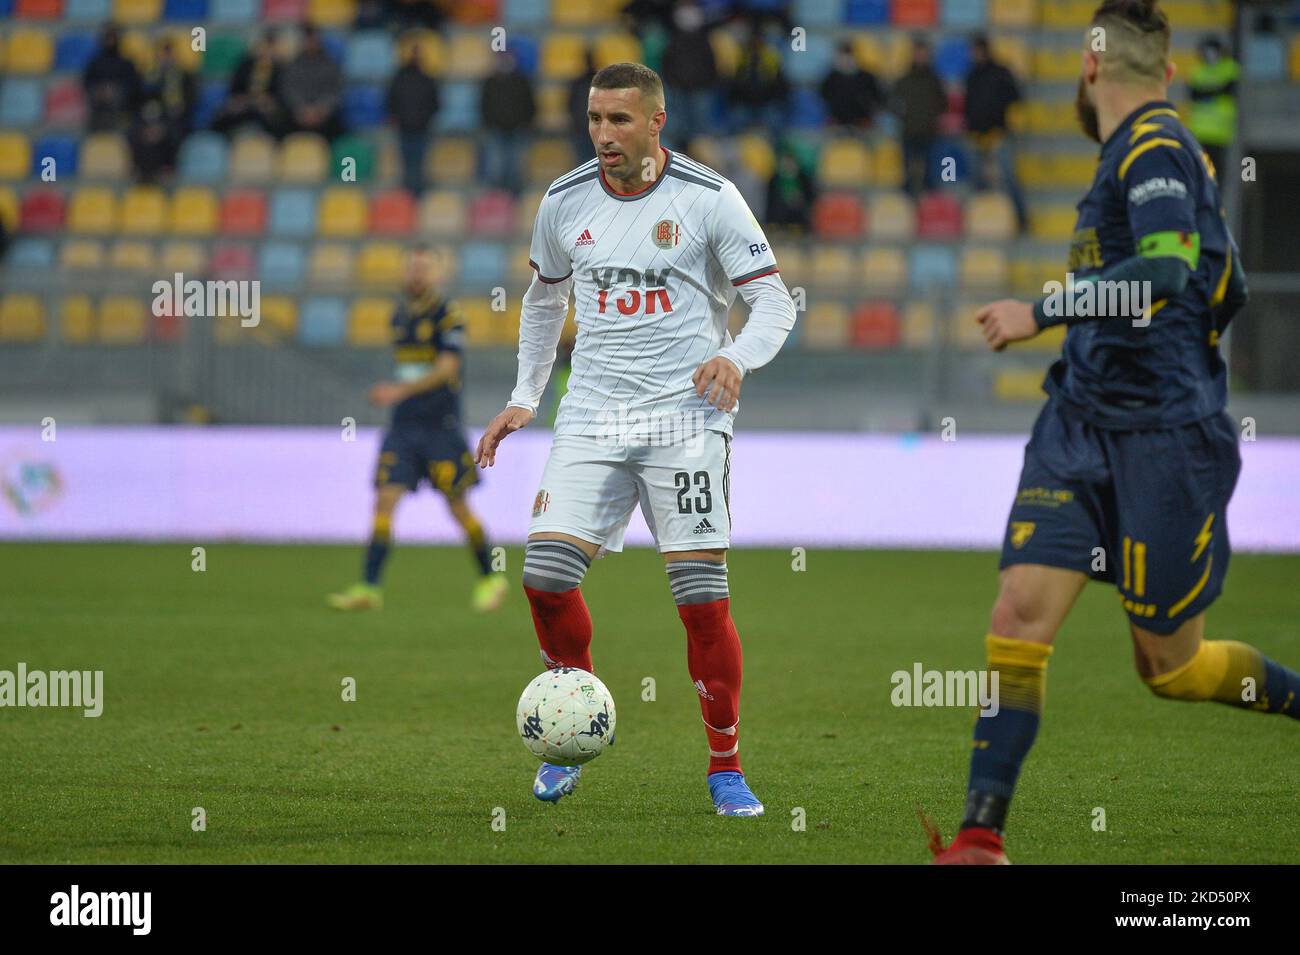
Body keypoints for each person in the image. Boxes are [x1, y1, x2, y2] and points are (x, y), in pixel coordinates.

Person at [929, 0, 1299, 865]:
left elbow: (1169, 269)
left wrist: (1042, 309)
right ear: (1165, 70)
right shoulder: (1144, 153)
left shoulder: (1154, 146)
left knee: (1170, 667)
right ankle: (981, 836)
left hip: (1165, 438)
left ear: (1090, 68)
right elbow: (1222, 281)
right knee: (1018, 615)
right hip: (1080, 422)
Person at [474, 62, 797, 815]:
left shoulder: (709, 198)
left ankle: (726, 766)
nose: (602, 135)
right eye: (593, 119)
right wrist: (525, 395)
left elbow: (773, 303)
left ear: (657, 120)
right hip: (590, 415)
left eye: (618, 120)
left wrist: (735, 355)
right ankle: (572, 723)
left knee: (701, 602)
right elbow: (542, 298)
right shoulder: (563, 201)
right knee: (545, 579)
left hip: (685, 420)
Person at [328, 246, 509, 614]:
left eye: (424, 269)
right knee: (384, 499)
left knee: (457, 506)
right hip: (403, 427)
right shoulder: (399, 316)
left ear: (437, 274)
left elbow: (446, 370)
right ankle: (369, 587)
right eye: (412, 268)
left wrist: (398, 391)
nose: (416, 274)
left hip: (440, 427)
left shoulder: (449, 316)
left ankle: (490, 578)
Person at [964, 34, 1028, 233]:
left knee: (1008, 177)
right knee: (975, 178)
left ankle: (1021, 219)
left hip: (999, 134)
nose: (974, 55)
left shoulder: (1001, 72)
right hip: (976, 135)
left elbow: (1016, 96)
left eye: (976, 50)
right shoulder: (971, 75)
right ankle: (981, 220)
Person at [891, 36, 947, 197]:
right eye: (919, 53)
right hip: (908, 131)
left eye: (924, 54)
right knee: (907, 175)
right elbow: (893, 104)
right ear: (913, 55)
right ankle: (906, 209)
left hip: (930, 132)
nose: (921, 57)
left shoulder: (934, 80)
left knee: (931, 176)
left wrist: (931, 116)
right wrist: (904, 116)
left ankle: (929, 209)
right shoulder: (903, 81)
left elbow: (943, 104)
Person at [659, 0, 718, 152]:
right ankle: (680, 155)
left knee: (700, 130)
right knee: (678, 128)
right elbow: (667, 63)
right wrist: (673, 82)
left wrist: (706, 83)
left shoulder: (704, 41)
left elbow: (711, 65)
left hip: (699, 89)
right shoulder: (673, 40)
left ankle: (700, 159)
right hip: (679, 89)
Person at [386, 42, 441, 196]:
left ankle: (417, 194)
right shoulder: (399, 79)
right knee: (407, 163)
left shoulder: (426, 80)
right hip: (405, 127)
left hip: (421, 127)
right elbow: (391, 102)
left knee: (419, 163)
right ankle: (409, 194)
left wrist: (426, 118)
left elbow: (435, 104)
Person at [479, 51, 536, 195]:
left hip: (518, 130)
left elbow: (530, 105)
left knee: (516, 168)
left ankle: (515, 199)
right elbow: (483, 105)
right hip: (496, 130)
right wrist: (489, 123)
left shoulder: (522, 81)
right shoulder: (490, 82)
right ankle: (497, 199)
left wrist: (526, 123)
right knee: (496, 168)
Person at [213, 30, 285, 139]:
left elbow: (281, 94)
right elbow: (234, 90)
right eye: (263, 45)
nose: (266, 50)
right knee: (220, 120)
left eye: (270, 47)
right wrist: (240, 100)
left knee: (278, 122)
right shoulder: (245, 65)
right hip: (245, 105)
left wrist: (270, 102)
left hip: (265, 109)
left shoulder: (280, 69)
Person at [1187, 35, 1239, 178]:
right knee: (1201, 175)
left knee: (1219, 175)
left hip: (1222, 134)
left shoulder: (1230, 69)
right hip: (1200, 133)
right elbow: (1193, 95)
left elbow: (1230, 89)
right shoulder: (1197, 70)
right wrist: (1217, 91)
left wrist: (1206, 92)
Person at [281, 25, 344, 141]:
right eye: (308, 40)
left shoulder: (330, 65)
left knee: (339, 127)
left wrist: (321, 109)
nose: (311, 43)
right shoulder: (293, 65)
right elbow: (289, 90)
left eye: (314, 40)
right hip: (299, 113)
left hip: (323, 113)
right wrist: (301, 109)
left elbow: (335, 91)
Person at [728, 24, 789, 138]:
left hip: (767, 102)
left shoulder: (771, 58)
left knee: (775, 120)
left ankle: (776, 147)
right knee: (736, 119)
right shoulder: (743, 59)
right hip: (745, 102)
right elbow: (735, 83)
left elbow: (780, 83)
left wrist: (775, 99)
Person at [83, 25, 141, 132]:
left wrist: (115, 91)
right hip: (98, 105)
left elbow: (133, 84)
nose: (110, 41)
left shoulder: (126, 63)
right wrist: (99, 91)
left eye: (113, 38)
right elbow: (87, 82)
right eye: (107, 38)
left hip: (121, 103)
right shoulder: (95, 62)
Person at [819, 40, 886, 130]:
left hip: (863, 122)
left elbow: (877, 98)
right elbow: (824, 97)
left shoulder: (867, 77)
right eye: (842, 58)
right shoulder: (831, 78)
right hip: (838, 122)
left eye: (848, 58)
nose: (845, 61)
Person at [142, 38, 196, 145]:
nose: (167, 58)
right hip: (156, 114)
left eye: (170, 54)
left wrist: (181, 107)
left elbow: (191, 97)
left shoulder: (186, 75)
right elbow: (146, 96)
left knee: (174, 131)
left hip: (178, 116)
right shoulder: (153, 75)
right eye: (164, 54)